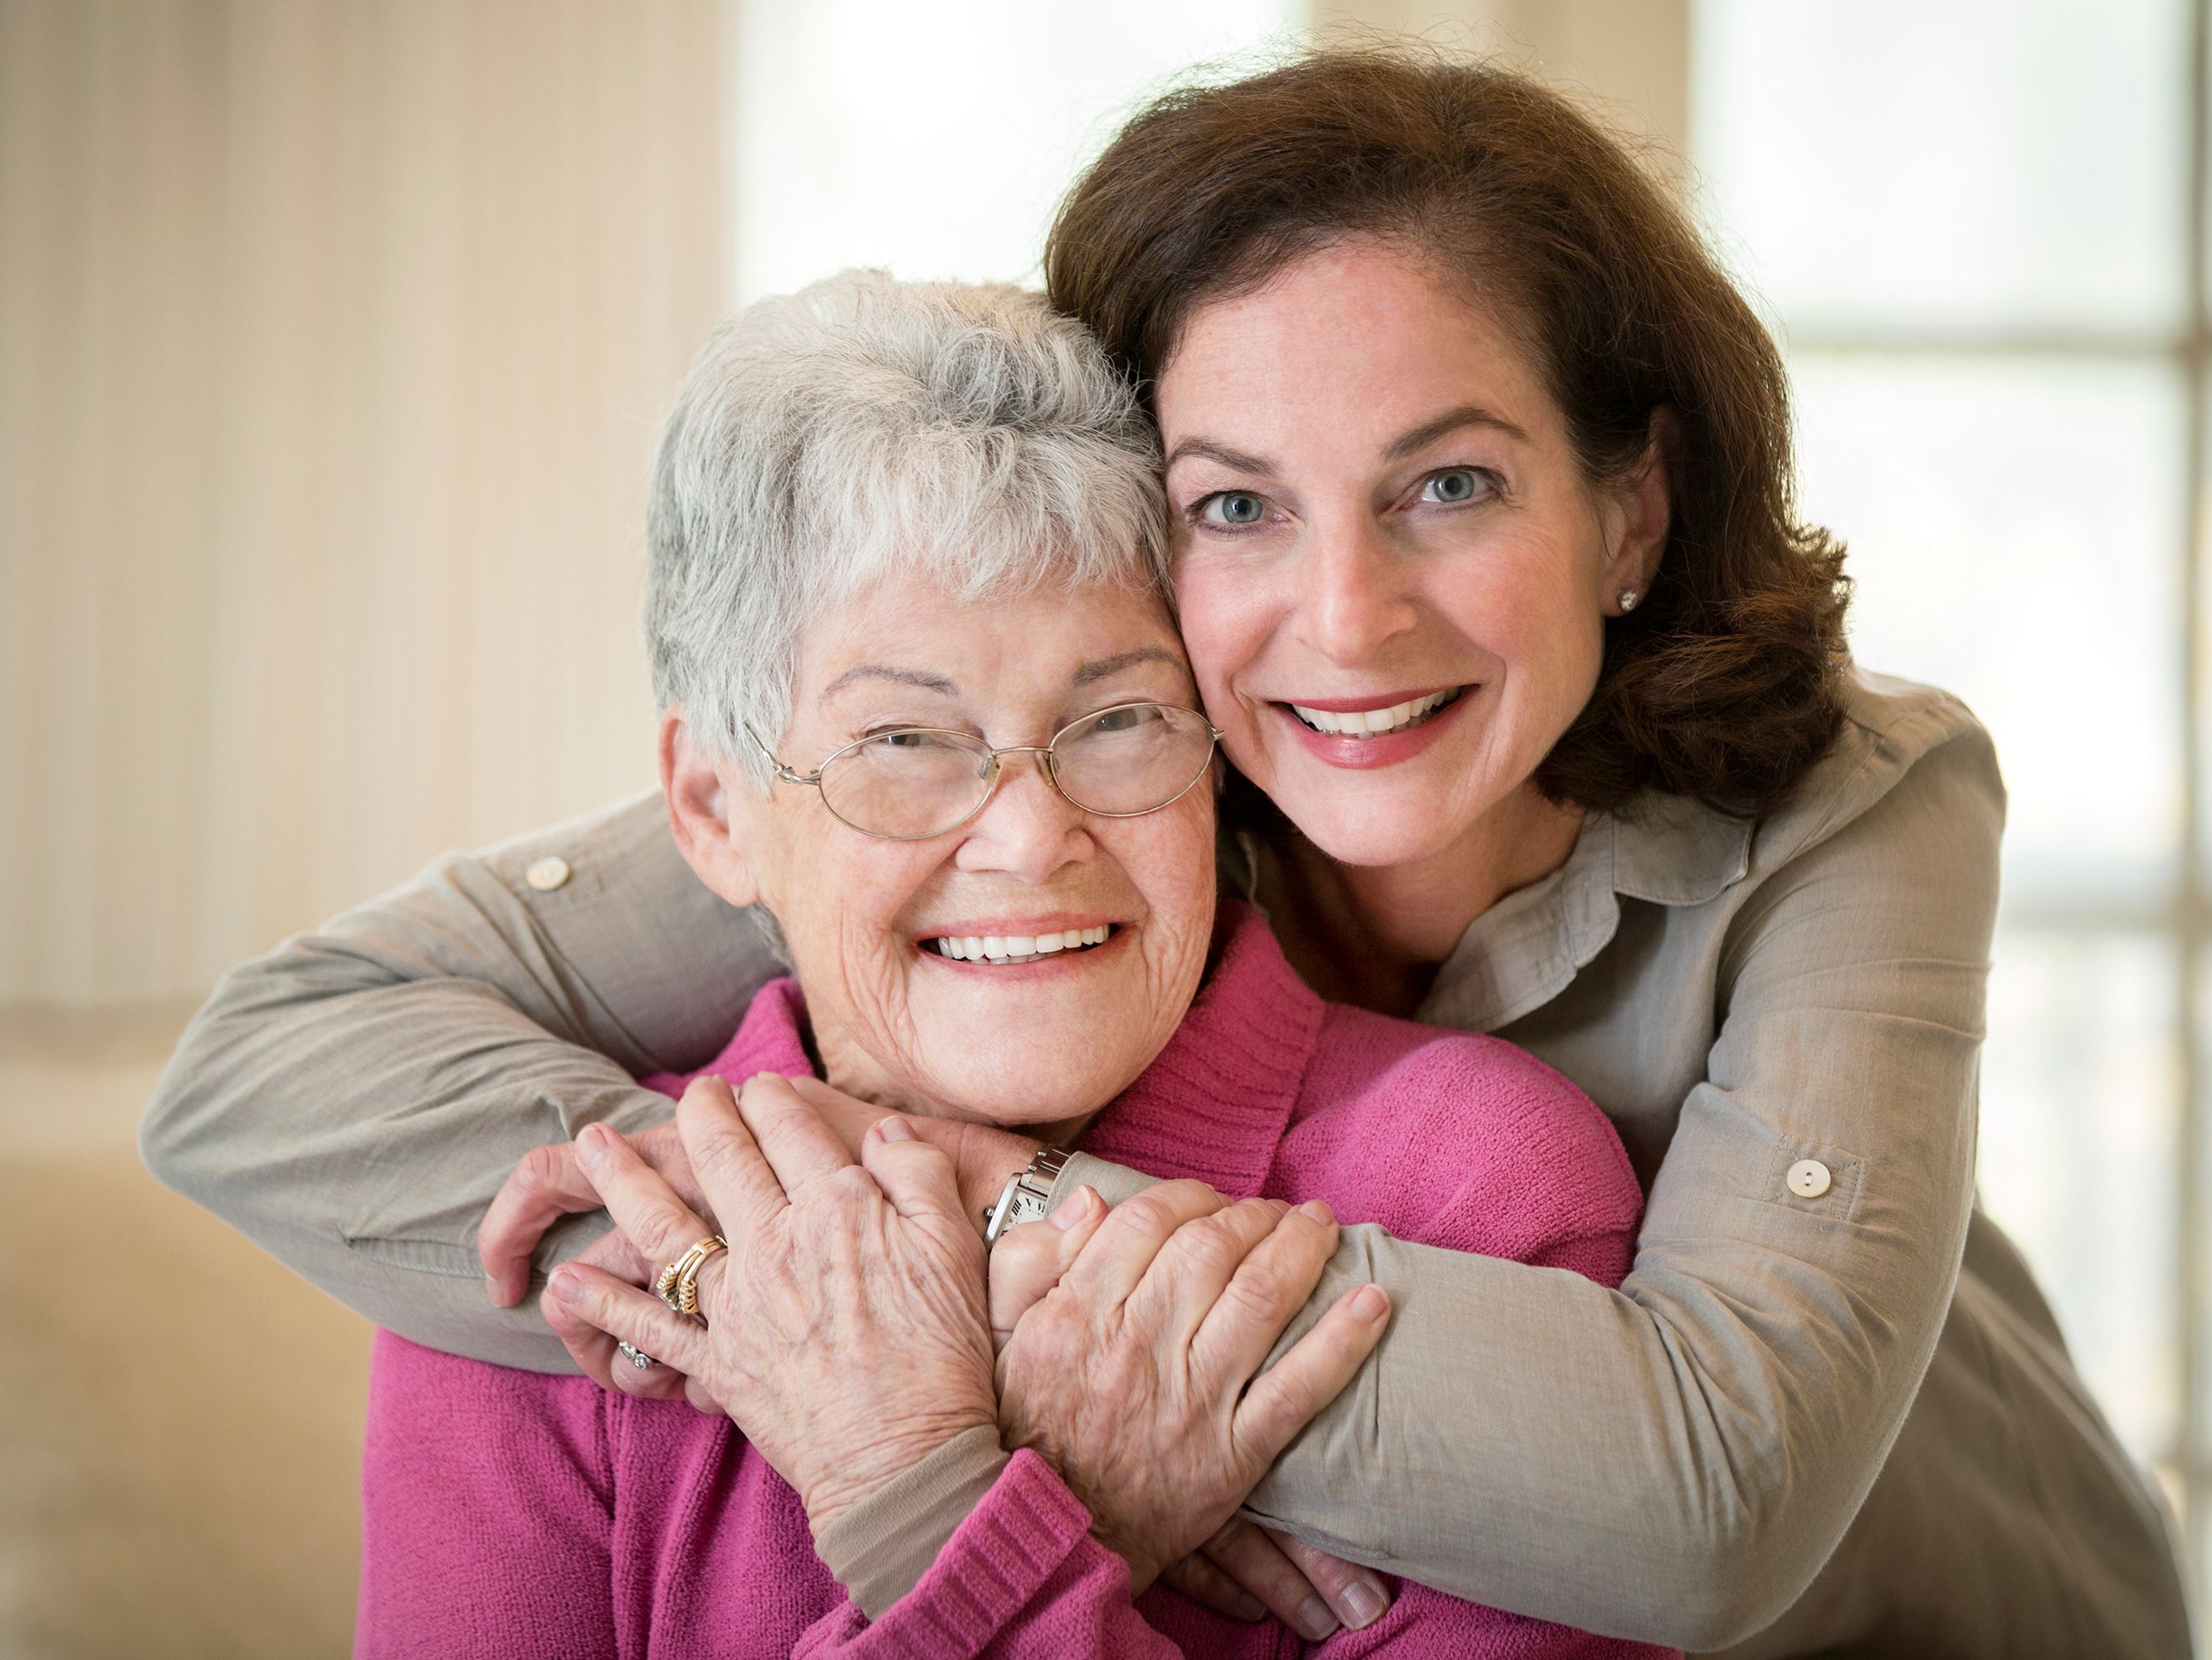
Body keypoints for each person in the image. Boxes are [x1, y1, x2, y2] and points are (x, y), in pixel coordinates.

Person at [143, 49, 2192, 1658]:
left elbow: (1717, 1507)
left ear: (1631, 512)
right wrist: (909, 1362)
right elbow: (264, 1070)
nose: (1345, 617)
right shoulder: (1107, 747)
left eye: (1451, 484)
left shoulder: (1859, 804)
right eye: (1232, 505)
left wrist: (945, 1233)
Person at [357, 270, 1675, 1658]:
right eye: (906, 742)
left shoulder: (1482, 1185)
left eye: (1117, 720)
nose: (1034, 838)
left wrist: (927, 1503)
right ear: (710, 808)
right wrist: (1030, 1518)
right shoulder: (587, 1261)